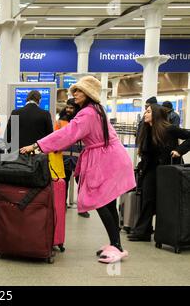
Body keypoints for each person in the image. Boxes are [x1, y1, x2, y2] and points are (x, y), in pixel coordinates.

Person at [21, 76, 135, 264]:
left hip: (104, 159)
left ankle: (117, 247)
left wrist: (36, 145)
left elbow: (67, 134)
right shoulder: (96, 110)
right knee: (108, 203)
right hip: (111, 157)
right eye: (75, 90)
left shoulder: (88, 113)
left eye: (79, 91)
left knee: (100, 202)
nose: (75, 94)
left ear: (89, 94)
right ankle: (116, 244)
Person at [128, 104, 190, 242]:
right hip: (151, 169)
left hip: (167, 170)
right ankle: (143, 231)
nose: (145, 114)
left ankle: (163, 232)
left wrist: (180, 150)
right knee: (147, 199)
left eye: (148, 112)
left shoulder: (169, 129)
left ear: (156, 114)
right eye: (146, 111)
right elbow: (147, 154)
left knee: (165, 202)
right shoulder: (146, 130)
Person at [55, 99, 88, 217]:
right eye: (67, 107)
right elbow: (54, 137)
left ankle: (83, 208)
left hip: (80, 158)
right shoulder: (60, 122)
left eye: (72, 108)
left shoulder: (82, 122)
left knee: (81, 183)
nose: (68, 110)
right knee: (64, 182)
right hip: (64, 158)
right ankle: (61, 205)